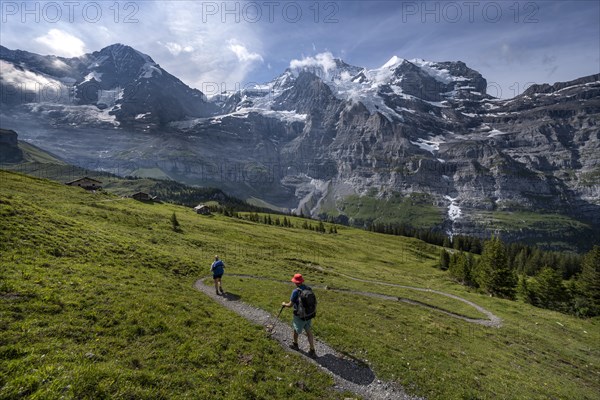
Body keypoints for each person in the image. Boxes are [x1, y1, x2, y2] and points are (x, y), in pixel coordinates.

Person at [282, 273, 316, 357]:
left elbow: (290, 305)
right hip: (309, 314)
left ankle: (295, 344)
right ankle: (312, 350)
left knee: (296, 329)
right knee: (308, 331)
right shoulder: (309, 288)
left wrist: (284, 304)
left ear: (296, 282)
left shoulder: (295, 291)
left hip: (299, 315)